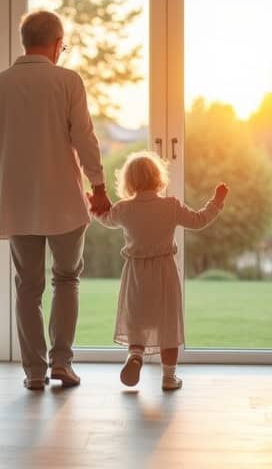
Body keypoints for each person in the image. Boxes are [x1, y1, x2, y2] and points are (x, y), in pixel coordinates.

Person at [0, 10, 111, 391]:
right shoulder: (67, 81)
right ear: (58, 42)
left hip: (16, 203)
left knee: (27, 288)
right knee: (66, 279)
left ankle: (33, 372)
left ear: (24, 41)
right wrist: (98, 186)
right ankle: (61, 363)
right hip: (64, 199)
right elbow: (84, 137)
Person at [93, 151, 227, 390]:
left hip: (136, 274)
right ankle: (169, 377)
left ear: (128, 182)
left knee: (137, 321)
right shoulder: (170, 206)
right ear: (158, 178)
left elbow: (106, 219)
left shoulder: (124, 209)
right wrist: (216, 202)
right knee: (168, 325)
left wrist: (93, 209)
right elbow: (198, 220)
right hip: (164, 272)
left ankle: (135, 355)